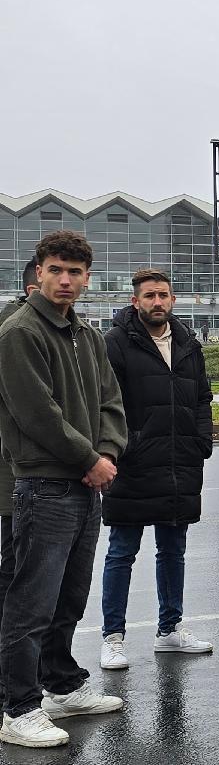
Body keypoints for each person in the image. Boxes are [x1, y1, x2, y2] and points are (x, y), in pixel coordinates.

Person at [0, 232, 128, 748]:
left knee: (70, 594)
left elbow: (110, 403)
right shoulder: (20, 333)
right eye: (56, 270)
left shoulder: (88, 336)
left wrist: (108, 453)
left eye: (75, 272)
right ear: (38, 273)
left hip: (85, 482)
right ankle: (18, 707)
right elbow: (37, 414)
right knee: (30, 601)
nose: (66, 280)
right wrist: (90, 459)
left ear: (87, 278)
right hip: (42, 483)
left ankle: (59, 685)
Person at [98, 270, 215, 671]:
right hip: (133, 464)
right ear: (136, 302)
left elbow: (203, 396)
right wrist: (122, 447)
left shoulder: (187, 343)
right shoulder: (115, 342)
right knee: (121, 552)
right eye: (149, 296)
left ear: (173, 299)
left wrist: (202, 440)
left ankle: (170, 631)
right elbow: (104, 401)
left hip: (180, 461)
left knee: (173, 550)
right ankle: (112, 637)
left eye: (163, 295)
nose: (157, 302)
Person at [0, 262, 38, 728]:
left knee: (18, 579)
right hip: (18, 479)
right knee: (18, 582)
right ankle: (16, 696)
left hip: (24, 479)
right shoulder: (16, 334)